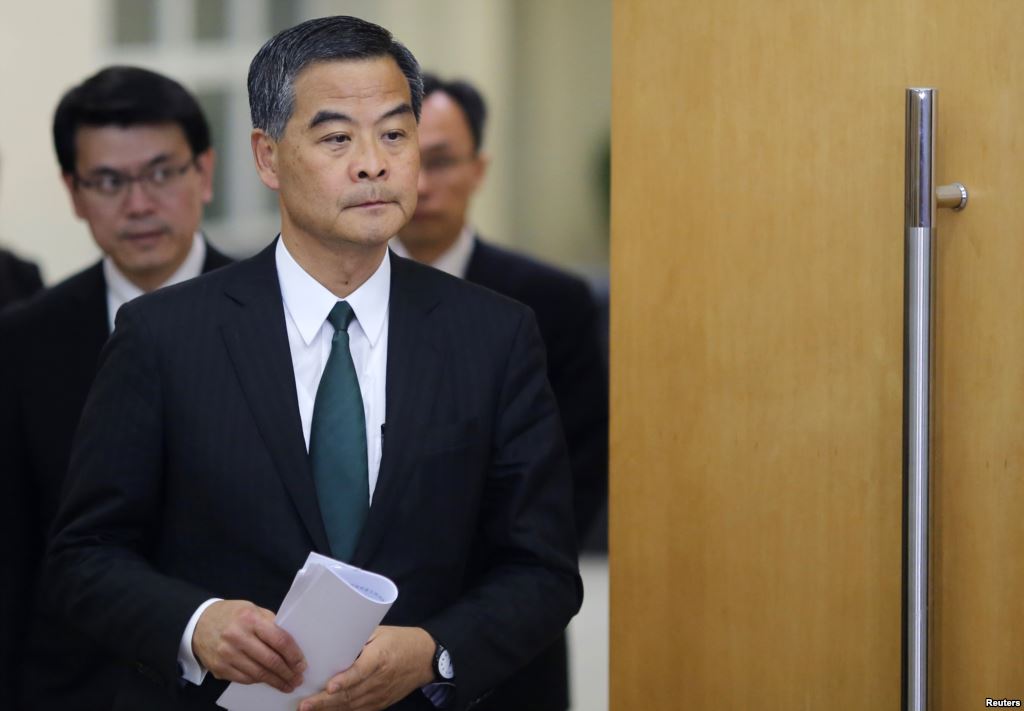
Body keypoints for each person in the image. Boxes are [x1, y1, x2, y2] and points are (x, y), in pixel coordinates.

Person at [47, 16, 581, 711]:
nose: (373, 163)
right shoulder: (164, 335)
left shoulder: (495, 334)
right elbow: (85, 554)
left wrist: (434, 650)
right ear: (267, 157)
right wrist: (196, 622)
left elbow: (542, 568)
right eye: (336, 137)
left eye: (394, 134)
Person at [0, 66, 231, 710]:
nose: (138, 204)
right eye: (107, 181)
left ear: (204, 173)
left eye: (161, 172)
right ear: (73, 193)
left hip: (242, 688)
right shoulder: (24, 338)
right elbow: (15, 555)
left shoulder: (278, 312)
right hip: (76, 689)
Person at [394, 74, 608, 711]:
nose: (424, 185)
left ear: (478, 168)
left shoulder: (547, 302)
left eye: (442, 161)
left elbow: (578, 473)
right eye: (408, 160)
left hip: (505, 632)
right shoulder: (340, 301)